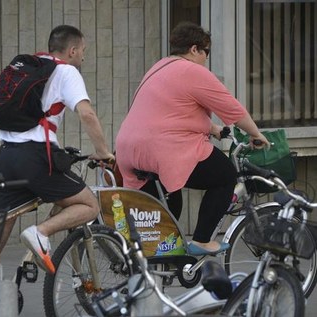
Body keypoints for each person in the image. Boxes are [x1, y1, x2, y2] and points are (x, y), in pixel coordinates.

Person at [115, 21, 269, 256]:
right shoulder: (192, 70)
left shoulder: (159, 67)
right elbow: (233, 109)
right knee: (225, 175)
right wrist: (256, 134)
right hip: (161, 148)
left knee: (169, 199)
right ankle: (201, 241)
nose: (206, 58)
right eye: (206, 52)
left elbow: (174, 111)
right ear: (195, 49)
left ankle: (156, 254)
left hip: (128, 147)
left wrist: (214, 129)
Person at [0, 25, 114, 274]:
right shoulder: (67, 71)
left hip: (7, 155)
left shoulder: (35, 65)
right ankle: (40, 232)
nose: (83, 57)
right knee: (89, 205)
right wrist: (103, 151)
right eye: (83, 51)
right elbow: (87, 114)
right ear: (73, 50)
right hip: (35, 155)